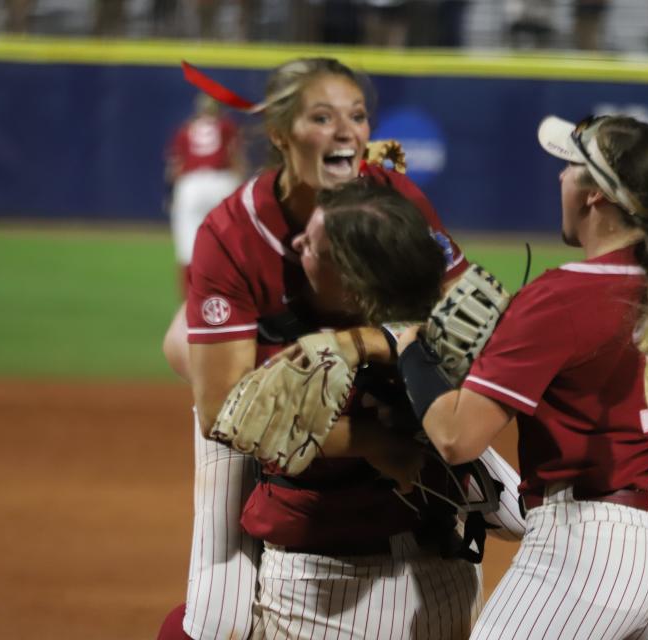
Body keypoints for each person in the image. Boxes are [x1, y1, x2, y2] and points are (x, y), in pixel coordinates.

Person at [158, 57, 524, 640]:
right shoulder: (233, 234)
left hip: (386, 373)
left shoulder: (389, 193)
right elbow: (223, 412)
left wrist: (382, 356)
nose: (347, 131)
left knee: (504, 498)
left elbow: (470, 311)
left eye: (356, 115)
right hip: (256, 402)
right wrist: (372, 443)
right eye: (322, 117)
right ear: (281, 135)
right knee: (217, 620)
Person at [394, 114, 648, 638]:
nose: (560, 177)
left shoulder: (561, 297)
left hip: (590, 553)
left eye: (569, 168)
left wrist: (410, 350)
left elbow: (455, 438)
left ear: (594, 197)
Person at [165, 93, 244, 296]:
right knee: (229, 246)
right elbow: (236, 159)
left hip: (191, 185)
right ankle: (227, 297)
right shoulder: (227, 126)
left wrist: (170, 194)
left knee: (187, 249)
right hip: (222, 182)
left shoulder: (185, 130)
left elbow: (175, 167)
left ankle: (189, 302)